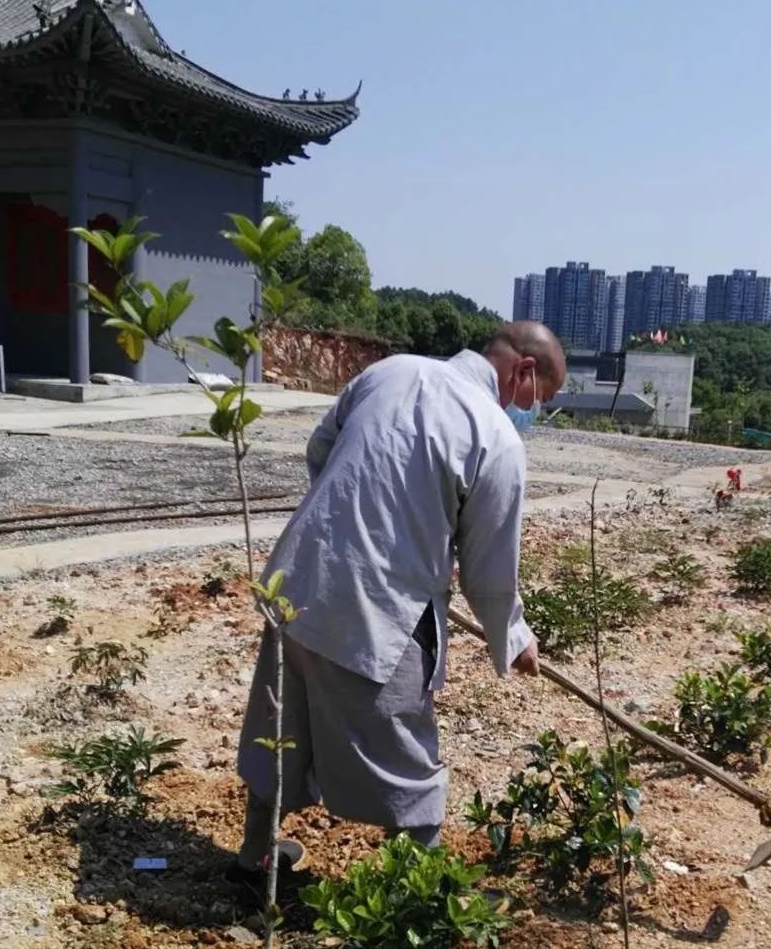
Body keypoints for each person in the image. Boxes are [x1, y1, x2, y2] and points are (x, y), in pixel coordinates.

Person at [230, 321, 567, 883]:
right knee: (411, 766)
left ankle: (254, 861)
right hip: (374, 610)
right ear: (524, 371)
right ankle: (424, 901)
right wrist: (513, 636)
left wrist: (371, 526)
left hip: (295, 582)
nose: (534, 409)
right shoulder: (495, 435)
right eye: (542, 397)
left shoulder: (390, 371)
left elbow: (322, 451)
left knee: (281, 730)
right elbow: (490, 570)